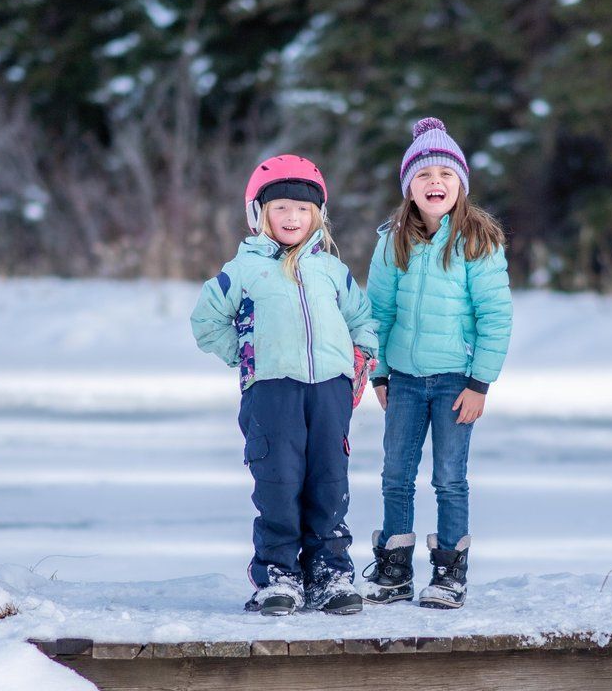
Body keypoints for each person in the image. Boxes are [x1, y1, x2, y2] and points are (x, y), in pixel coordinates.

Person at [191, 155, 377, 616]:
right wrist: (243, 353)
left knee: (329, 482)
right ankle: (279, 575)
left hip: (330, 392)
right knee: (278, 482)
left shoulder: (332, 271)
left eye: (302, 209)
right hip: (271, 393)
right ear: (259, 214)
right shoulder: (244, 269)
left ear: (318, 215)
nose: (292, 217)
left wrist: (360, 358)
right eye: (280, 208)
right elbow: (206, 321)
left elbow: (362, 319)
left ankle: (329, 573)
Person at [364, 118, 512, 609]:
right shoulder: (393, 241)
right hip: (403, 380)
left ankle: (449, 573)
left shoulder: (477, 241)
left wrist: (480, 383)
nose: (435, 183)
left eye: (446, 175)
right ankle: (394, 569)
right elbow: (379, 312)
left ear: (461, 186)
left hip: (456, 380)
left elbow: (495, 315)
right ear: (409, 186)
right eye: (424, 174)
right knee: (395, 475)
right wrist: (379, 373)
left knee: (449, 478)